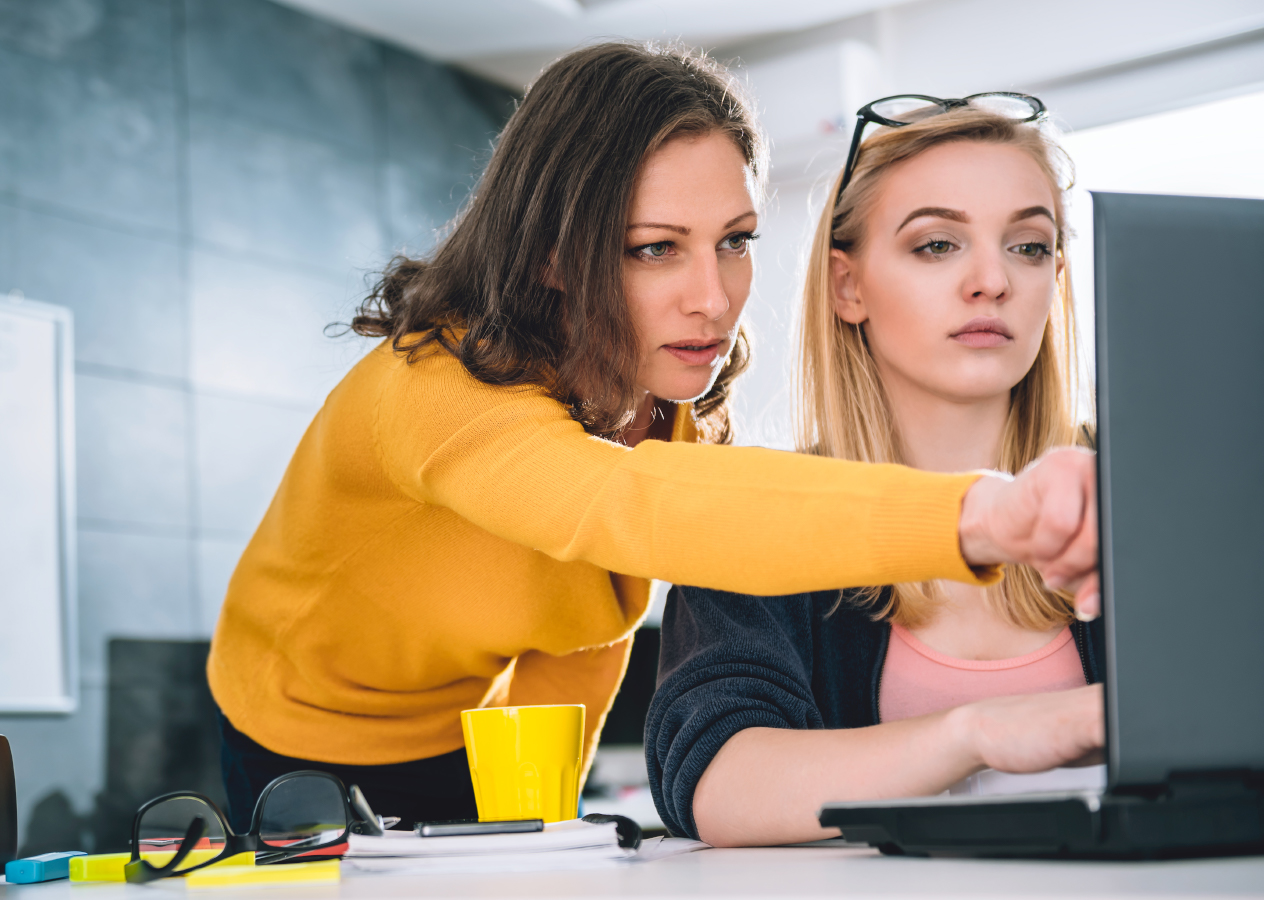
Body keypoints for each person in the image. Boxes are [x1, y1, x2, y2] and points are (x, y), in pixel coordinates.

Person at [207, 48, 1099, 826]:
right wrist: (983, 514)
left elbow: (586, 631)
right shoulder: (433, 390)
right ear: (553, 254)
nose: (712, 298)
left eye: (735, 240)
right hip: (304, 735)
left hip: (485, 722)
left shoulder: (665, 385)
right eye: (653, 248)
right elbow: (629, 508)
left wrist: (545, 815)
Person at [645, 98, 1106, 846]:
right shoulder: (758, 514)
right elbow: (717, 784)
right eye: (937, 245)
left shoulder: (1141, 493)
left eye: (1027, 246)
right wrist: (976, 735)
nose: (992, 280)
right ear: (846, 286)